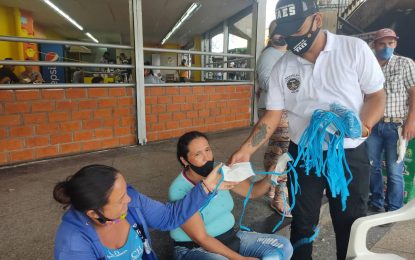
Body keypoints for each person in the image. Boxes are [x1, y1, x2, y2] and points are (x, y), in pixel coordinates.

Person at [228, 0, 386, 259]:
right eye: (286, 32)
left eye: (296, 30)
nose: (291, 38)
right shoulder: (283, 66)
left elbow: (376, 96)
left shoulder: (353, 49)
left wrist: (363, 127)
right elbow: (273, 114)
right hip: (303, 156)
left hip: (347, 155)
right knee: (302, 222)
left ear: (317, 20)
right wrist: (246, 149)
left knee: (350, 223)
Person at [169, 131, 293, 260]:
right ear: (184, 160)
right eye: (197, 154)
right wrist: (241, 259)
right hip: (195, 248)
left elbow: (252, 192)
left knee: (283, 246)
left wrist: (270, 177)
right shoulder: (179, 190)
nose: (206, 157)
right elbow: (202, 238)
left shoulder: (219, 170)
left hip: (231, 237)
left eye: (207, 150)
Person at [367, 28, 415, 214]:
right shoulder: (369, 65)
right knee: (372, 167)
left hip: (396, 126)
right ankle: (376, 203)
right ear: (374, 44)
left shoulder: (405, 64)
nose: (387, 47)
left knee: (395, 172)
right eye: (382, 43)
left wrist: (411, 121)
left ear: (396, 43)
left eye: (391, 43)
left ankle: (394, 209)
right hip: (372, 125)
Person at [256, 20, 291, 217]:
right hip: (274, 109)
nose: (279, 34)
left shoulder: (288, 53)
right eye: (274, 31)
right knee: (284, 151)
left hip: (282, 109)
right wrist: (295, 85)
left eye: (282, 29)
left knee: (276, 149)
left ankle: (269, 185)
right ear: (270, 35)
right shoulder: (269, 54)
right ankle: (279, 196)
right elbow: (266, 81)